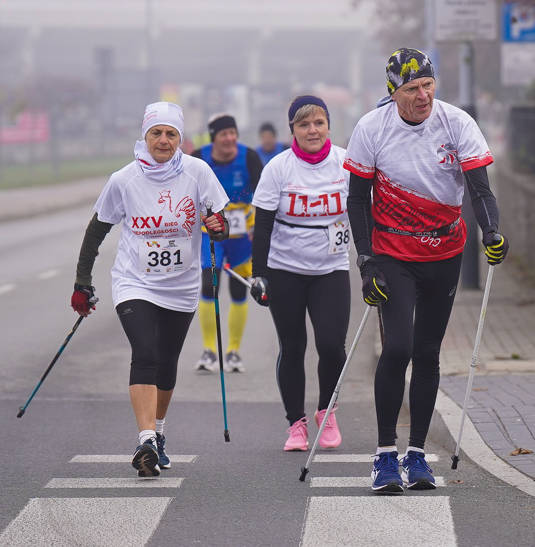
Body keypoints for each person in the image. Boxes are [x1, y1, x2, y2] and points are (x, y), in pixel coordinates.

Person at [343, 48, 509, 492]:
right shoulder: (371, 128)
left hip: (444, 254)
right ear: (394, 92)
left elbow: (480, 190)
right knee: (397, 347)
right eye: (413, 88)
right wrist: (365, 261)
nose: (423, 96)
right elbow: (357, 200)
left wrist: (491, 232)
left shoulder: (456, 123)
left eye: (428, 85)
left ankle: (417, 455)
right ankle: (383, 456)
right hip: (393, 255)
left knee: (428, 351)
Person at [71, 101, 229, 477]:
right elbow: (97, 231)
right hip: (134, 281)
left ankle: (158, 434)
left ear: (180, 138)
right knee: (145, 352)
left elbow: (220, 219)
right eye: (156, 133)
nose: (163, 140)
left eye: (171, 133)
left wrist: (218, 227)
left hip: (181, 283)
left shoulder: (197, 172)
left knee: (168, 363)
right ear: (144, 136)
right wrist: (83, 281)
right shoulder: (123, 179)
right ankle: (144, 439)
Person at [249, 95, 351, 452]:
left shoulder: (346, 163)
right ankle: (296, 424)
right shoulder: (278, 167)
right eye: (304, 124)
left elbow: (365, 211)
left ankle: (327, 411)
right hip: (285, 270)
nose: (312, 130)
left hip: (331, 269)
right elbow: (261, 226)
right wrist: (258, 274)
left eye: (318, 123)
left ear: (328, 126)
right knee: (293, 347)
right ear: (292, 129)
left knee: (331, 346)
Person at [192, 114, 263, 373]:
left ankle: (233, 351)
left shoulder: (249, 157)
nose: (230, 138)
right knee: (209, 287)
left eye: (233, 132)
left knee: (238, 290)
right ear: (214, 138)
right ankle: (210, 350)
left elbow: (264, 194)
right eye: (224, 134)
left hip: (242, 236)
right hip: (210, 236)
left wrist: (259, 224)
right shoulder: (199, 157)